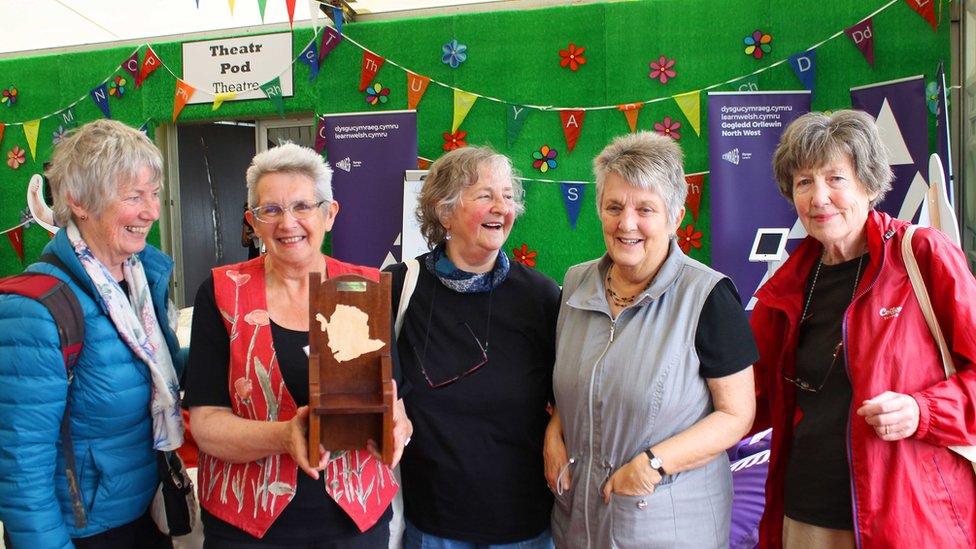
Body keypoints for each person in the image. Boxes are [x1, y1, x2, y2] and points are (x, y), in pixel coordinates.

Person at [751, 109, 976, 548]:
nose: (819, 197)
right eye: (804, 182)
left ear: (870, 185)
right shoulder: (786, 289)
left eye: (836, 178)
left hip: (906, 517)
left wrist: (923, 411)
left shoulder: (923, 256)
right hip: (807, 516)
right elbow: (751, 400)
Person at [183, 143, 412, 547]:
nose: (288, 223)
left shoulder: (365, 287)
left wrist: (399, 429)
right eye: (271, 210)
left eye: (303, 206)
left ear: (330, 213)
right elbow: (205, 427)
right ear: (253, 221)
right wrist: (284, 435)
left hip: (353, 522)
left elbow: (393, 404)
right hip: (248, 525)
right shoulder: (221, 293)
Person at [545, 131, 757, 548]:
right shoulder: (574, 284)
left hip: (667, 525)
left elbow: (737, 414)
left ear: (676, 216)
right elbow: (584, 382)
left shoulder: (708, 296)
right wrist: (555, 431)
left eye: (646, 209)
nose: (627, 223)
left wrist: (653, 466)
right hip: (578, 523)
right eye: (614, 207)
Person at [0, 119, 182, 548]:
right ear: (79, 202)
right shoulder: (35, 311)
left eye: (153, 194)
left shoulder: (140, 280)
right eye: (134, 197)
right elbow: (20, 465)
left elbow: (148, 369)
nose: (152, 211)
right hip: (86, 531)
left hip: (146, 512)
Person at [385, 146, 561, 548]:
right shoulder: (399, 288)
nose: (501, 207)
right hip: (432, 525)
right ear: (444, 212)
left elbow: (567, 394)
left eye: (507, 196)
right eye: (485, 195)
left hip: (523, 525)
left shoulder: (540, 297)